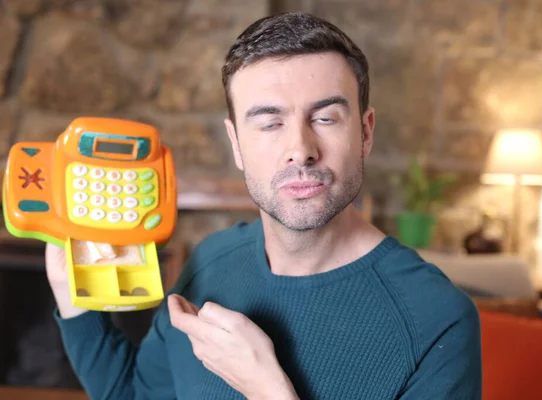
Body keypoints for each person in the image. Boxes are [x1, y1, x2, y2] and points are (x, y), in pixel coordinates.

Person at [46, 11, 482, 400]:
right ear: (236, 144)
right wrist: (72, 298)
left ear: (365, 133)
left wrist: (267, 389)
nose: (300, 149)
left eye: (325, 118)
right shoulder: (212, 262)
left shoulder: (438, 319)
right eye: (270, 123)